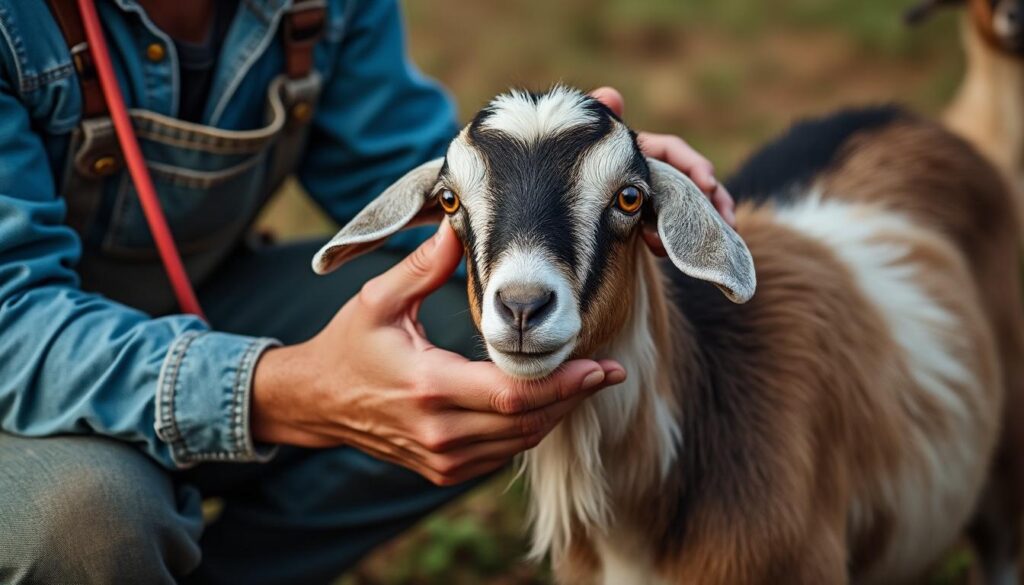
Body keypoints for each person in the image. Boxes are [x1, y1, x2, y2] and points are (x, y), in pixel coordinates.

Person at [0, 1, 735, 583]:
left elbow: (386, 156)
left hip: (184, 299)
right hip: (19, 356)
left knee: (467, 349)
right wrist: (277, 389)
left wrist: (582, 174)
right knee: (93, 521)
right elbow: (12, 319)